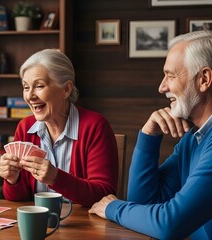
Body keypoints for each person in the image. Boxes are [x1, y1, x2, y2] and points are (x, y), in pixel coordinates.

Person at [89, 30, 212, 239]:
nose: (162, 87)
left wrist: (113, 208)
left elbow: (169, 224)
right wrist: (149, 135)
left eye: (171, 75)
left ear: (204, 79)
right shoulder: (193, 139)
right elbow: (143, 203)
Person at [0, 49, 118, 207]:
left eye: (39, 86)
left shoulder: (96, 126)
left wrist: (56, 178)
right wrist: (13, 180)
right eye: (26, 87)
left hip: (84, 227)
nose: (30, 96)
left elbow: (104, 195)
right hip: (39, 224)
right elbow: (17, 199)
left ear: (66, 89)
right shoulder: (25, 127)